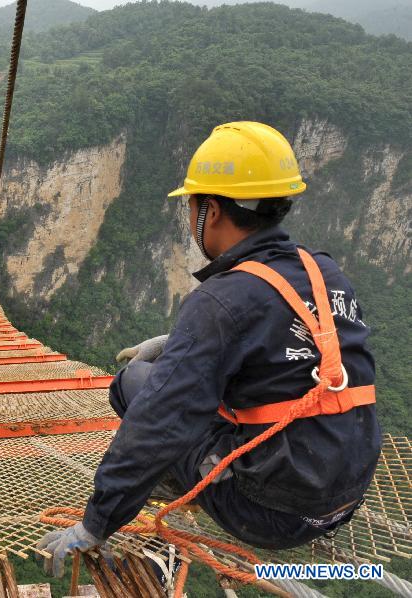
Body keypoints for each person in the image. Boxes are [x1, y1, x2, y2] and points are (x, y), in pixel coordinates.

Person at [38, 122, 380, 576]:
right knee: (174, 385)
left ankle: (180, 479)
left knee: (135, 384)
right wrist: (183, 343)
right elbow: (288, 349)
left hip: (272, 515)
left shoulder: (222, 300)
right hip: (345, 495)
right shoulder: (325, 272)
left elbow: (157, 423)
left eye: (193, 204)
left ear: (211, 212)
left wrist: (96, 524)